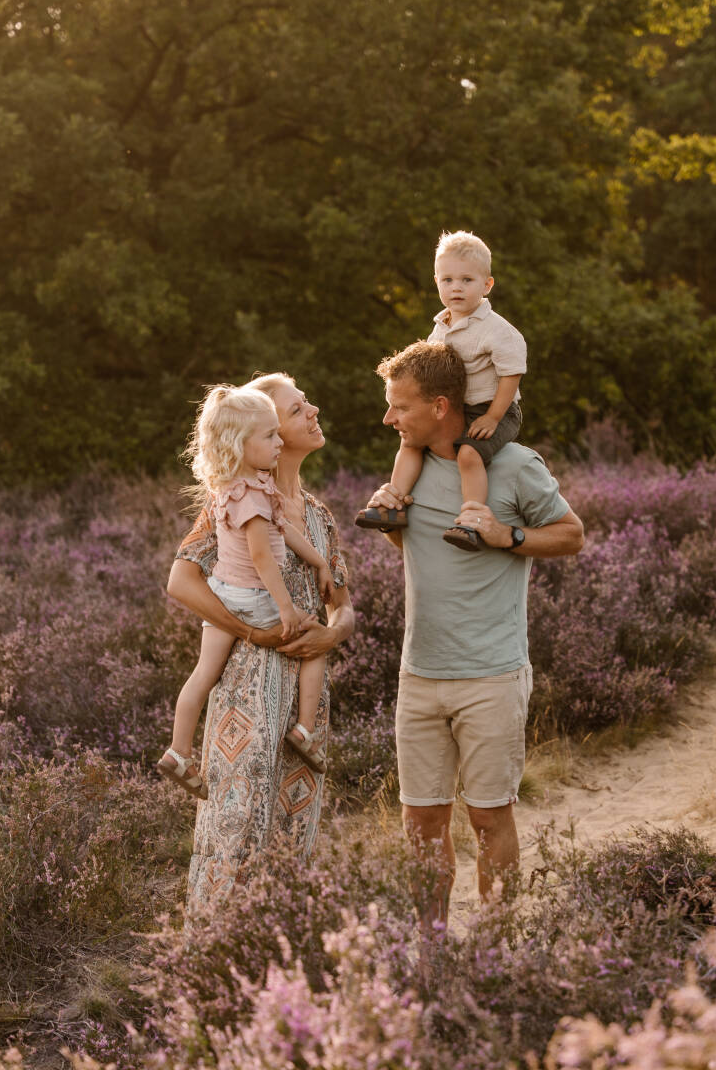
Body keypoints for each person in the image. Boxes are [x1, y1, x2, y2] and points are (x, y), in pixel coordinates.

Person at [362, 341, 584, 930]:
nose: (389, 419)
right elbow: (411, 548)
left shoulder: (513, 465)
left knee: (489, 820)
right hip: (420, 676)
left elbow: (571, 534)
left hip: (491, 674)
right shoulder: (406, 467)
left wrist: (504, 536)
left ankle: (494, 947)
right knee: (421, 824)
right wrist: (391, 515)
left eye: (398, 407)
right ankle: (432, 948)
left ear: (440, 406)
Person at [166, 374, 355, 906]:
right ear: (259, 431)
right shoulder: (229, 502)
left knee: (293, 844)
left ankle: (279, 976)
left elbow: (342, 599)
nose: (313, 411)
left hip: (305, 712)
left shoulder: (317, 516)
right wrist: (250, 630)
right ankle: (211, 969)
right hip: (245, 702)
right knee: (234, 835)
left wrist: (331, 633)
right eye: (297, 411)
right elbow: (181, 582)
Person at [158, 384, 335, 800]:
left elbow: (288, 532)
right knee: (314, 642)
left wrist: (321, 561)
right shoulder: (256, 495)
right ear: (242, 443)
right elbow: (263, 558)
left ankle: (179, 751)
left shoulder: (233, 487)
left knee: (203, 674)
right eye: (271, 434)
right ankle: (306, 730)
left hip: (224, 592)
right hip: (255, 598)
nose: (277, 442)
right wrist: (286, 610)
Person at [356, 231, 527, 551]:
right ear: (436, 282)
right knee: (410, 443)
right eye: (447, 280)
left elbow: (511, 373)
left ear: (487, 285)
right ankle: (392, 507)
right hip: (456, 408)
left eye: (466, 280)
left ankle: (471, 522)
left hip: (495, 407)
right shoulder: (441, 326)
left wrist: (493, 416)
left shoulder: (497, 330)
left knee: (469, 454)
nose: (456, 288)